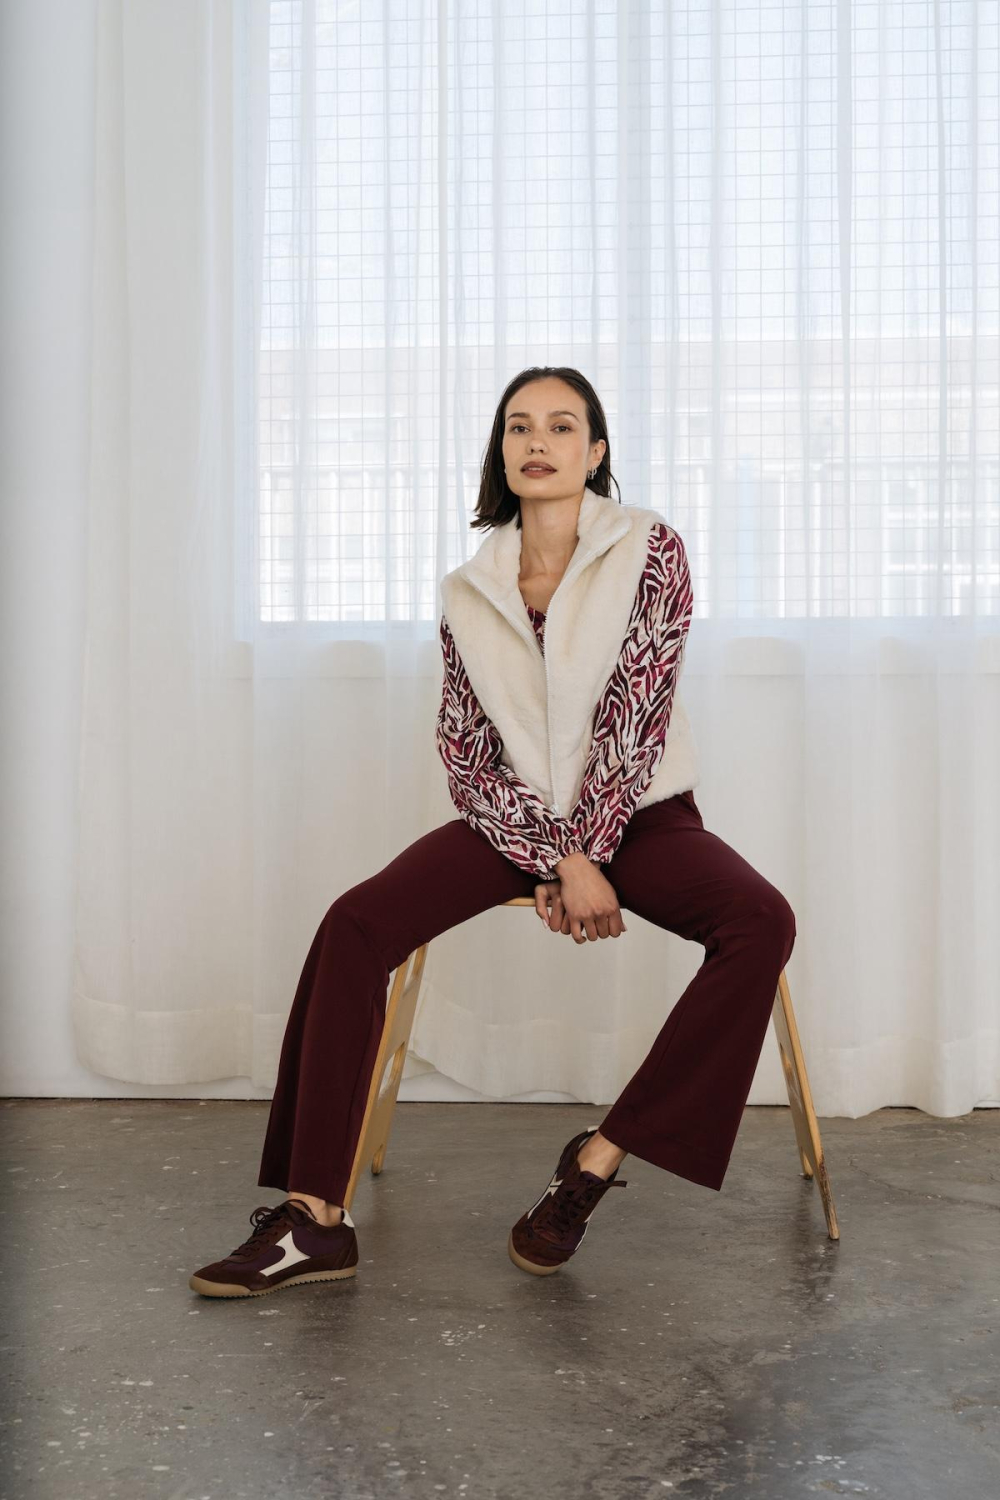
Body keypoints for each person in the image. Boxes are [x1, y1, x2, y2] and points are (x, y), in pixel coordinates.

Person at [188, 366, 796, 1297]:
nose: (537, 441)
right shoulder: (467, 588)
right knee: (354, 924)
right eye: (518, 426)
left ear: (596, 451)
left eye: (561, 425)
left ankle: (595, 1159)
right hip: (512, 822)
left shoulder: (650, 549)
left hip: (638, 814)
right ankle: (313, 1220)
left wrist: (585, 853)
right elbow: (467, 752)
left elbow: (635, 721)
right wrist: (555, 856)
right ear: (501, 450)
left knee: (761, 920)